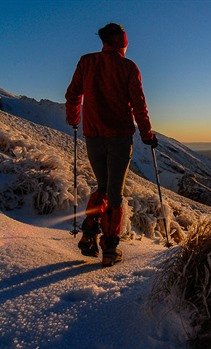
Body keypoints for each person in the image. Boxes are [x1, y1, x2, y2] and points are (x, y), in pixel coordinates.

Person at [65, 23, 158, 267]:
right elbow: (139, 104)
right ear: (122, 41)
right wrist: (147, 134)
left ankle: (89, 232)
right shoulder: (128, 67)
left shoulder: (86, 62)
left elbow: (73, 94)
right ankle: (109, 248)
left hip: (93, 135)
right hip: (119, 137)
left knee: (102, 186)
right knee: (115, 191)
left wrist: (74, 120)